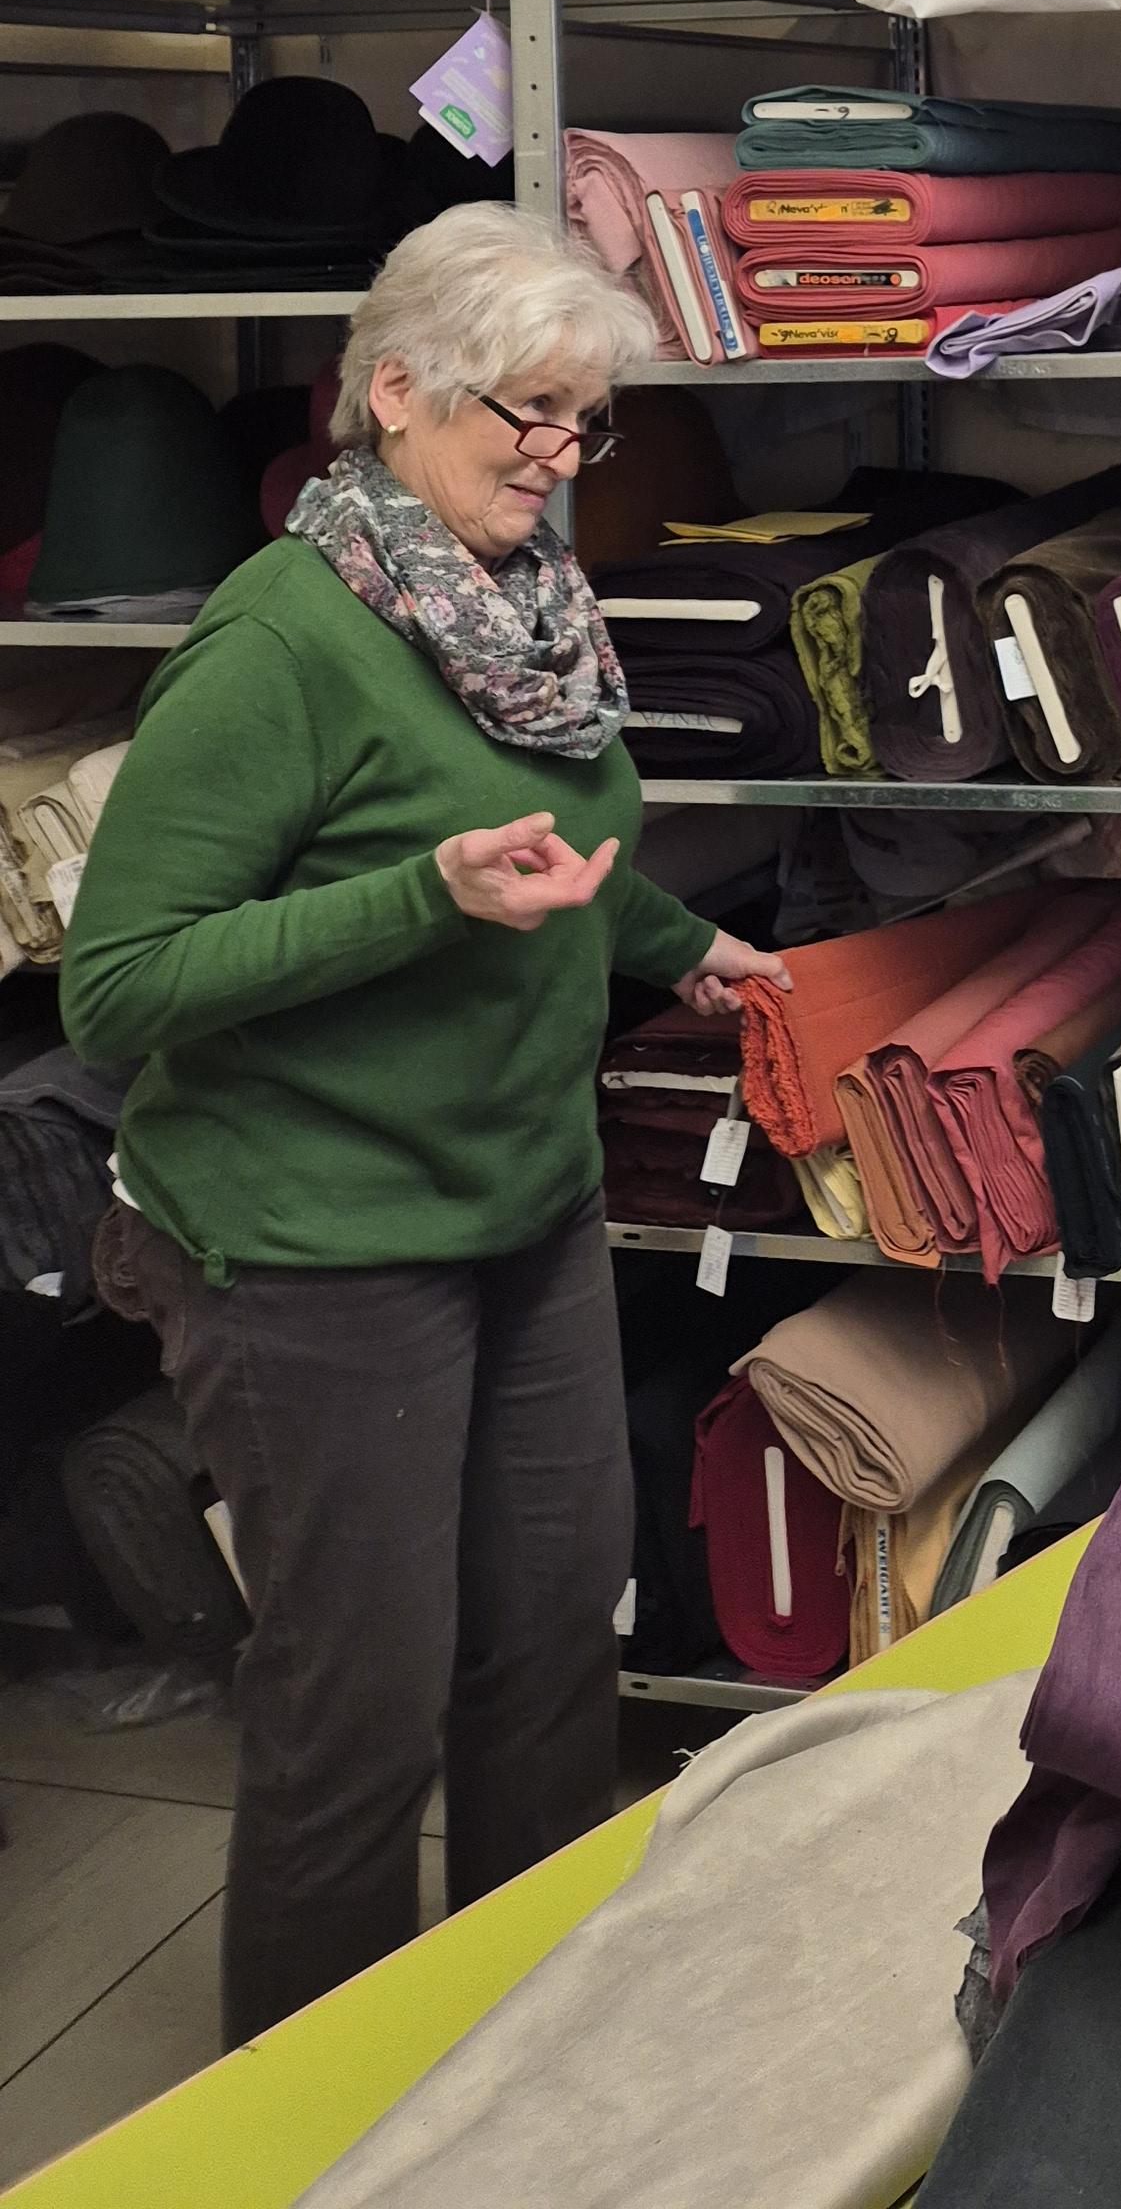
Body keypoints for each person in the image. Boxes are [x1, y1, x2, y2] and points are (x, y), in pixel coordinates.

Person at [63, 203, 789, 2041]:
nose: (557, 458)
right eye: (522, 416)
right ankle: (322, 2112)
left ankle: (526, 2055)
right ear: (394, 395)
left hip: (518, 1213)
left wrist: (683, 944)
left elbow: (563, 852)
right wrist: (417, 902)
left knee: (552, 1655)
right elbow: (121, 983)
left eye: (582, 421)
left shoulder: (525, 612)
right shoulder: (281, 645)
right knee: (354, 1712)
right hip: (312, 1254)